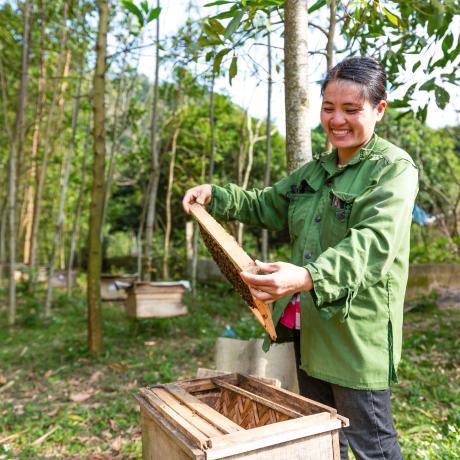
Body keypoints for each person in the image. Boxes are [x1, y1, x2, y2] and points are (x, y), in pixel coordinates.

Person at [182, 56, 418, 459]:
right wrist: (215, 194)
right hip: (306, 331)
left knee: (372, 445)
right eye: (328, 108)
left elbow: (372, 244)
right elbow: (267, 204)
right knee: (323, 437)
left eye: (350, 109)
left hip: (355, 337)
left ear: (379, 109)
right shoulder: (317, 170)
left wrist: (306, 276)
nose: (337, 120)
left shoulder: (392, 169)